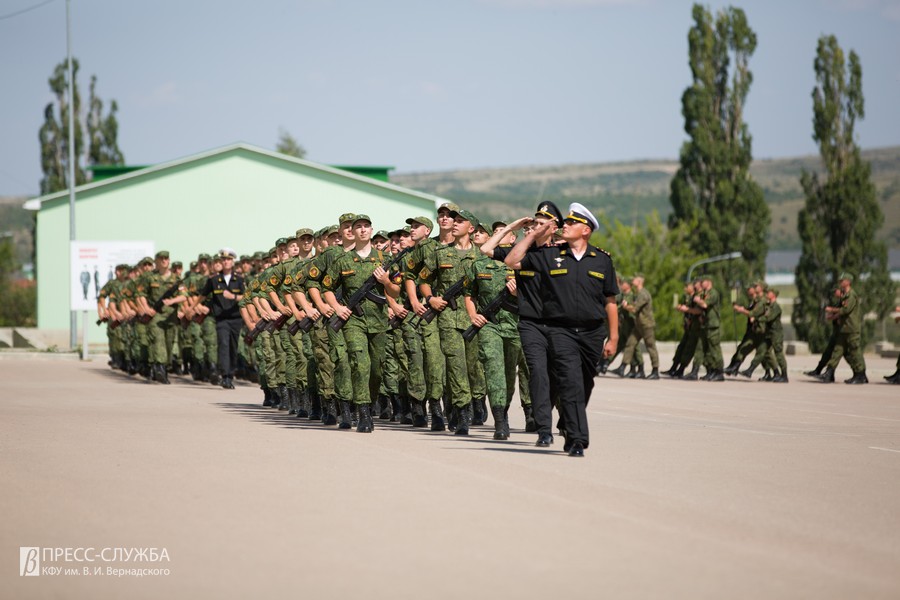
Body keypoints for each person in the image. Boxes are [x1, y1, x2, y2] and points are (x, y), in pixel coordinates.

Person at [504, 202, 619, 457]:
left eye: (571, 223)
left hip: (592, 333)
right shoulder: (550, 255)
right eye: (564, 222)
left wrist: (614, 337)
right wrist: (532, 234)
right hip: (561, 332)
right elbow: (512, 260)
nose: (564, 225)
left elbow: (610, 301)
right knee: (570, 383)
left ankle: (568, 423)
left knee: (585, 384)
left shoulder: (602, 260)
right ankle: (577, 440)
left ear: (586, 230)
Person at [200, 249, 245, 388]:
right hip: (221, 319)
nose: (226, 262)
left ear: (232, 262)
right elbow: (202, 295)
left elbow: (247, 297)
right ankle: (225, 376)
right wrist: (193, 307)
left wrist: (234, 297)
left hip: (236, 319)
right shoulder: (213, 280)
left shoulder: (239, 280)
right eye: (223, 260)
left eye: (229, 260)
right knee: (223, 345)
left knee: (233, 346)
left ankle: (230, 373)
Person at [819, 273, 867, 384]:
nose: (840, 282)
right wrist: (833, 317)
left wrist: (831, 310)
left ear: (848, 282)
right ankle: (829, 373)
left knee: (855, 352)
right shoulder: (845, 295)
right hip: (843, 329)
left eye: (842, 280)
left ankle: (860, 375)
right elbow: (842, 311)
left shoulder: (851, 295)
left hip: (851, 329)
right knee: (837, 351)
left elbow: (845, 310)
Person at [620, 274, 659, 379]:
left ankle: (655, 371)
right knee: (630, 343)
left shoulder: (643, 294)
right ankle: (623, 367)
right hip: (639, 325)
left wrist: (625, 306)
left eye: (635, 279)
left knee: (650, 346)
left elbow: (634, 309)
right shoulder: (638, 293)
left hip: (646, 325)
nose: (633, 280)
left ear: (640, 281)